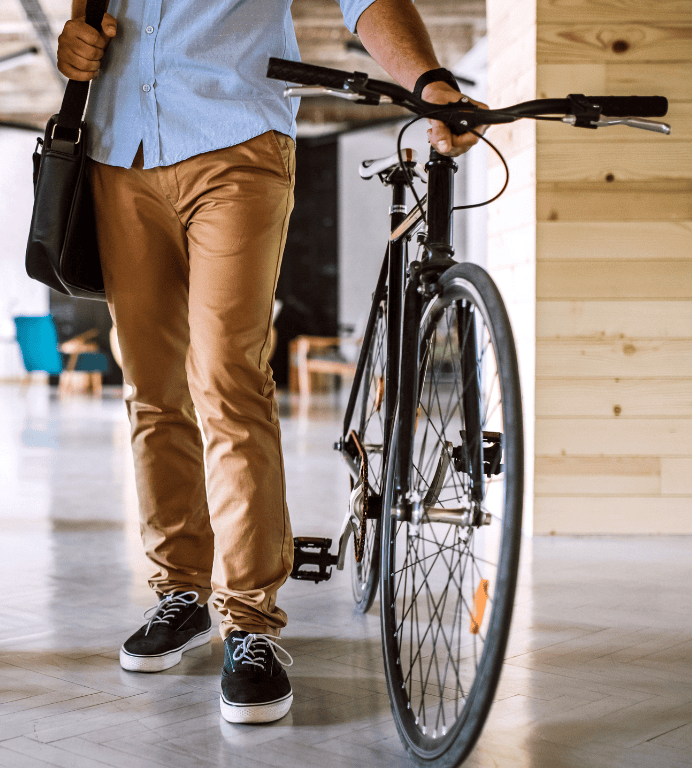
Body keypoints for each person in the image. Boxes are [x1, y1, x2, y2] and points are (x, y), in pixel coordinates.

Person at [56, 0, 481, 724]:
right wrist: (74, 34)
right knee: (152, 389)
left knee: (225, 378)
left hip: (236, 143)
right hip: (118, 151)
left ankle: (251, 624)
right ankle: (179, 593)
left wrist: (429, 78)